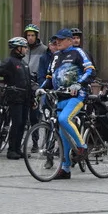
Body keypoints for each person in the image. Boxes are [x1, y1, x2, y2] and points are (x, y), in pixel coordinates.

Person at [41, 28, 96, 180]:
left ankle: (82, 147)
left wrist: (78, 84)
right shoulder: (56, 56)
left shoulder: (78, 53)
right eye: (55, 39)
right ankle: (65, 169)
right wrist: (41, 89)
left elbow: (90, 71)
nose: (57, 42)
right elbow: (50, 76)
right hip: (60, 97)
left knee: (64, 119)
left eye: (61, 39)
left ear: (70, 40)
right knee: (63, 133)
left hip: (77, 96)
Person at [0, 37, 33, 160]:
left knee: (22, 124)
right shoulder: (10, 61)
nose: (26, 49)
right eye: (24, 47)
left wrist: (32, 98)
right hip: (14, 97)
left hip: (25, 98)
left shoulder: (24, 64)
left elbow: (28, 82)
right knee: (17, 123)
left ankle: (18, 149)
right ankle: (11, 150)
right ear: (17, 48)